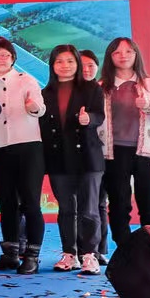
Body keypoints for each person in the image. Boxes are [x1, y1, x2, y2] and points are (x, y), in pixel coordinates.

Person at [0, 37, 47, 274]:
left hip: (28, 146)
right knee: (7, 203)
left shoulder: (25, 79)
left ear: (13, 58)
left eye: (4, 55)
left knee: (30, 202)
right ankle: (10, 254)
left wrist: (33, 106)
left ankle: (32, 256)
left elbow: (40, 107)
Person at [99, 36, 150, 247]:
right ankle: (124, 250)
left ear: (136, 55)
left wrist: (149, 106)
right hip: (114, 152)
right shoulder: (101, 86)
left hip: (147, 151)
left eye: (128, 51)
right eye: (117, 52)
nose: (123, 56)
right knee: (119, 205)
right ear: (110, 57)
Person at [40, 44, 106, 273]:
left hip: (87, 156)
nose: (65, 66)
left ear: (77, 63)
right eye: (59, 61)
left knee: (89, 209)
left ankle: (90, 255)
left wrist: (90, 119)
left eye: (70, 61)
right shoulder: (45, 93)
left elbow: (99, 115)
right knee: (67, 209)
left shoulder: (91, 88)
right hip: (58, 158)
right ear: (52, 65)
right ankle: (70, 253)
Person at [80, 48, 110, 262]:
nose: (87, 70)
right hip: (86, 153)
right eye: (82, 66)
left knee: (99, 203)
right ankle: (82, 250)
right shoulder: (71, 92)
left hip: (107, 153)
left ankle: (98, 250)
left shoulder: (101, 89)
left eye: (91, 65)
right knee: (86, 204)